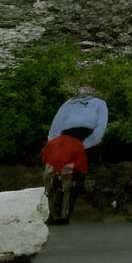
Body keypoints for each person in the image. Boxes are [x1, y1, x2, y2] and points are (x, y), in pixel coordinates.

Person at [43, 77, 109, 225]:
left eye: (89, 87)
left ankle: (64, 214)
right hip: (64, 138)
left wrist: (88, 143)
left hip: (84, 138)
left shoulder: (99, 103)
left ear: (94, 90)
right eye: (82, 87)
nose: (85, 89)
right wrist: (53, 142)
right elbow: (57, 123)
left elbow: (100, 126)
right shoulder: (68, 103)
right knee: (49, 174)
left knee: (69, 177)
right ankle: (51, 212)